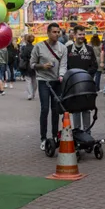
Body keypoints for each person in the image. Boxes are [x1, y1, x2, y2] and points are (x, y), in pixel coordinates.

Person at [30, 23, 68, 151]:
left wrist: (61, 76)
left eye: (58, 32)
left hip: (57, 81)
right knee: (45, 109)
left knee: (56, 110)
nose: (56, 34)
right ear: (48, 33)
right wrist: (42, 66)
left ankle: (54, 136)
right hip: (43, 81)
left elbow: (63, 64)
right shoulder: (39, 47)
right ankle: (43, 138)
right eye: (54, 32)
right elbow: (32, 64)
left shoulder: (63, 48)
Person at [67, 25, 98, 131]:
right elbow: (65, 67)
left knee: (86, 109)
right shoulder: (68, 50)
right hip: (73, 85)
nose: (82, 36)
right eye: (80, 34)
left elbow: (95, 66)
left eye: (84, 34)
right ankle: (77, 133)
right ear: (74, 35)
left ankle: (87, 133)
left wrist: (85, 75)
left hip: (86, 84)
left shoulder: (89, 50)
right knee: (75, 110)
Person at [20, 34, 37, 101]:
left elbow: (23, 56)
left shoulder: (25, 48)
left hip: (27, 65)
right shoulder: (35, 47)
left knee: (28, 80)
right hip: (34, 65)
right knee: (34, 80)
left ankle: (30, 94)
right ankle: (33, 93)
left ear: (26, 40)